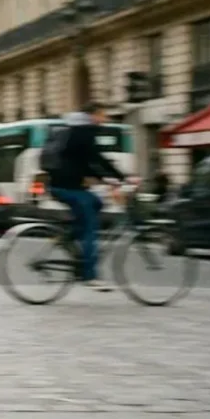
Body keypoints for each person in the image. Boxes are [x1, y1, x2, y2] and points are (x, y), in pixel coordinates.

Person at [48, 102, 132, 289]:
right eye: (103, 115)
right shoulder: (84, 131)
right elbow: (95, 158)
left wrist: (107, 178)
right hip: (67, 186)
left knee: (96, 203)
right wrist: (120, 177)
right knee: (91, 226)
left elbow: (84, 161)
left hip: (65, 184)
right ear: (93, 115)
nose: (106, 119)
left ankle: (67, 237)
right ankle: (90, 275)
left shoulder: (74, 130)